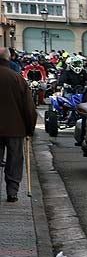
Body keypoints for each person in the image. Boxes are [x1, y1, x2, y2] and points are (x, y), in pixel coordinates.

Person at [0, 48, 37, 202]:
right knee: (15, 159)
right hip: (16, 128)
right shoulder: (17, 78)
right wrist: (30, 128)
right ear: (9, 59)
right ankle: (12, 191)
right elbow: (29, 107)